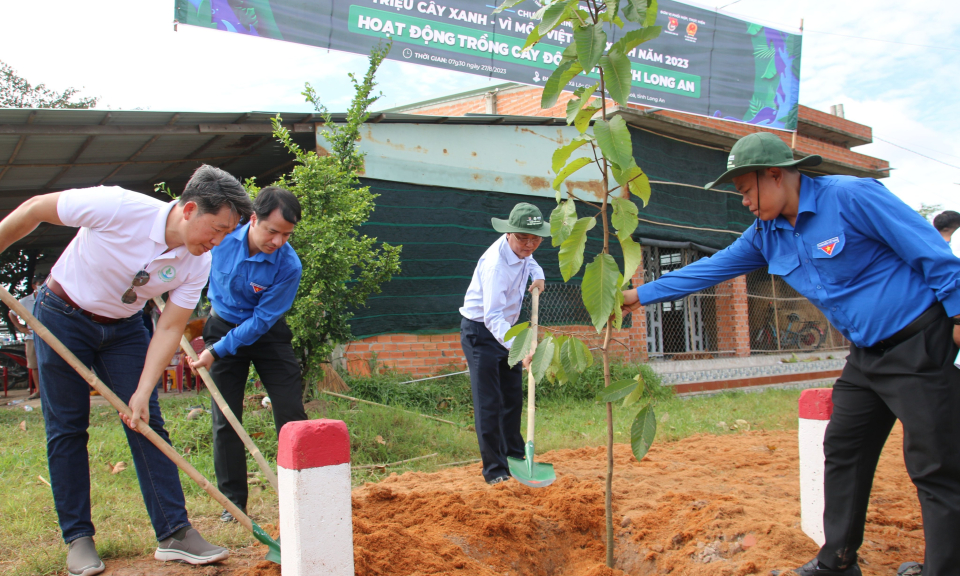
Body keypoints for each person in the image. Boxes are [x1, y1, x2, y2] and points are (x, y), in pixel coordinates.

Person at [621, 132, 960, 576]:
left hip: (919, 341)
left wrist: (956, 316)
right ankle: (836, 562)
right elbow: (708, 269)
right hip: (866, 356)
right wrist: (637, 296)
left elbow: (930, 250)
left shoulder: (852, 197)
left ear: (776, 175)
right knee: (843, 447)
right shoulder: (766, 235)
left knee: (934, 464)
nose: (744, 202)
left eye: (746, 190)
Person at [0, 164, 253, 576]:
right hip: (64, 313)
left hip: (124, 328)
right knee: (67, 427)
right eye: (218, 228)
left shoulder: (197, 262)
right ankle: (78, 539)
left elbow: (170, 326)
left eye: (228, 233)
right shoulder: (116, 206)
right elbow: (35, 209)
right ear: (189, 209)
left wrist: (142, 388)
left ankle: (175, 533)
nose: (219, 241)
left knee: (146, 420)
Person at [188, 186, 307, 522]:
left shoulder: (289, 266)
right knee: (225, 418)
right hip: (221, 326)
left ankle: (300, 493)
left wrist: (217, 351)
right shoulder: (221, 241)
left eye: (286, 235)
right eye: (272, 231)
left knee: (291, 413)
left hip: (267, 335)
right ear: (253, 219)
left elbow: (262, 321)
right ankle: (234, 503)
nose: (278, 242)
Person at [459, 202, 549, 485]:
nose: (529, 244)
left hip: (506, 331)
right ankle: (495, 470)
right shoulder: (495, 265)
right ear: (509, 233)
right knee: (490, 403)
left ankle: (514, 457)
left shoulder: (523, 249)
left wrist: (539, 275)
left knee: (511, 399)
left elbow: (529, 260)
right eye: (523, 238)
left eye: (535, 239)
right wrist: (520, 349)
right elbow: (492, 315)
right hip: (481, 333)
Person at [8, 276, 43, 398]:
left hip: (50, 337)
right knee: (34, 365)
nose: (43, 285)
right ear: (34, 286)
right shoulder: (24, 301)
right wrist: (20, 327)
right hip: (32, 337)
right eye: (40, 283)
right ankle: (38, 390)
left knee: (51, 363)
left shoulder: (50, 298)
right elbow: (12, 314)